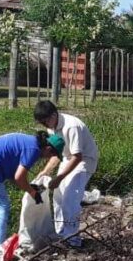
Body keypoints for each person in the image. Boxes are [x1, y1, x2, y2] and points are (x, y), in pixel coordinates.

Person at [0, 131, 63, 252]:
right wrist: (32, 193)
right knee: (2, 206)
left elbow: (14, 175)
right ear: (48, 148)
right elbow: (19, 177)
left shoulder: (29, 142)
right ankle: (0, 247)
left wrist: (29, 187)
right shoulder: (34, 149)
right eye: (51, 155)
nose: (48, 158)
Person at [34, 101, 100, 248]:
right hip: (68, 158)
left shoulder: (72, 126)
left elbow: (78, 156)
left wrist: (59, 178)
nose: (45, 126)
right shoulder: (52, 128)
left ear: (53, 115)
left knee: (70, 199)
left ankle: (72, 239)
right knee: (57, 196)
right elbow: (57, 154)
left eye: (45, 121)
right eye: (42, 123)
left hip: (84, 161)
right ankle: (60, 232)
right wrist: (45, 171)